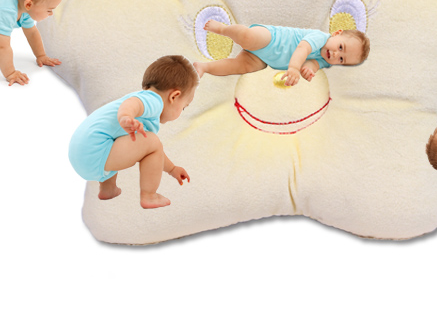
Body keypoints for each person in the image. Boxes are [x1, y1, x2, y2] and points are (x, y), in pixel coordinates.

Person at [68, 55, 198, 207]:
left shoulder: (145, 99)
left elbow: (155, 153)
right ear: (174, 96)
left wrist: (172, 169)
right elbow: (132, 104)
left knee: (125, 140)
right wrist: (126, 117)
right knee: (152, 141)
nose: (182, 111)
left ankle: (108, 189)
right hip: (94, 153)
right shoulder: (154, 100)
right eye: (184, 107)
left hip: (81, 153)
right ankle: (149, 196)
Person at [193, 21, 369, 86]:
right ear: (336, 33)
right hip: (271, 38)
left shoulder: (326, 61)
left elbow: (312, 63)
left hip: (264, 59)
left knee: (243, 67)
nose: (336, 54)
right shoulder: (320, 37)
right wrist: (294, 68)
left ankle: (205, 67)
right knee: (248, 37)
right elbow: (303, 49)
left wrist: (308, 71)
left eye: (342, 59)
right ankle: (223, 29)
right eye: (340, 47)